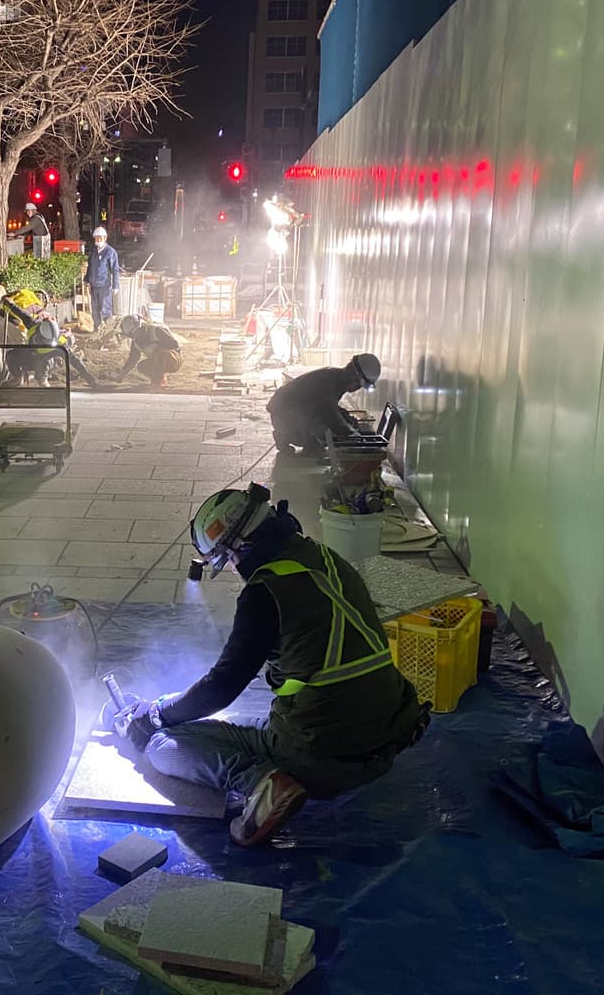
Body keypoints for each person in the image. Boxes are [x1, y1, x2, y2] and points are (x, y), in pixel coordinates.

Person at [107, 483, 429, 846]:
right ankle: (273, 768)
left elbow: (222, 687)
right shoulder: (323, 557)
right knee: (235, 716)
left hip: (325, 757)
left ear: (240, 546)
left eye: (226, 560)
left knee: (163, 748)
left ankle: (262, 785)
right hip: (386, 739)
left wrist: (155, 716)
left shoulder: (264, 593)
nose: (231, 568)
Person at [266, 353, 381, 455]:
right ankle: (284, 436)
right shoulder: (327, 381)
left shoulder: (335, 378)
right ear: (353, 374)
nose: (357, 388)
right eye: (359, 384)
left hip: (292, 410)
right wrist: (353, 435)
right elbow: (331, 415)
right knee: (326, 432)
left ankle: (304, 440)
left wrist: (348, 419)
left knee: (322, 437)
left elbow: (331, 407)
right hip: (282, 414)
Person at [117, 314, 183, 387]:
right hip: (158, 360)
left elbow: (175, 345)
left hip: (173, 359)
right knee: (142, 366)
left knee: (159, 358)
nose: (132, 337)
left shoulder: (156, 331)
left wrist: (160, 352)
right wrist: (120, 377)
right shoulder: (136, 342)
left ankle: (159, 381)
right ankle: (157, 381)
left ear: (137, 329)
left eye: (132, 335)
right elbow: (132, 360)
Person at [84, 226, 120, 331]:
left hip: (104, 287)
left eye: (100, 238)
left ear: (105, 238)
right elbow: (90, 267)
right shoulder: (93, 252)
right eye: (96, 238)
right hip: (94, 286)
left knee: (106, 311)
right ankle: (97, 331)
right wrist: (87, 279)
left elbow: (115, 270)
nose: (98, 240)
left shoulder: (110, 252)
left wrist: (115, 285)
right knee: (95, 311)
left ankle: (108, 332)